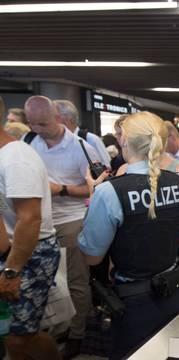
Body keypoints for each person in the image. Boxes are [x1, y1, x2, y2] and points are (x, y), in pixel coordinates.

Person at [77, 111, 179, 359]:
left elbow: (92, 257)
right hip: (175, 291)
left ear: (125, 142)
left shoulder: (110, 191)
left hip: (133, 302)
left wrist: (95, 196)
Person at [24, 95, 100, 359]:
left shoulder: (81, 147)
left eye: (43, 123)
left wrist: (62, 189)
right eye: (32, 123)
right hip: (40, 221)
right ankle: (53, 327)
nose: (37, 129)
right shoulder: (29, 142)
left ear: (59, 119)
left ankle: (77, 334)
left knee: (75, 281)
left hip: (71, 219)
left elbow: (96, 187)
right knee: (47, 279)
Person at [0, 96, 61, 359]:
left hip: (29, 254)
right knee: (9, 335)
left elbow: (30, 219)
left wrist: (11, 272)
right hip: (11, 251)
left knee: (19, 337)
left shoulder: (16, 158)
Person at [53, 100, 111, 168]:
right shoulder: (49, 142)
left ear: (66, 120)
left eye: (53, 117)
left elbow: (107, 166)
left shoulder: (90, 139)